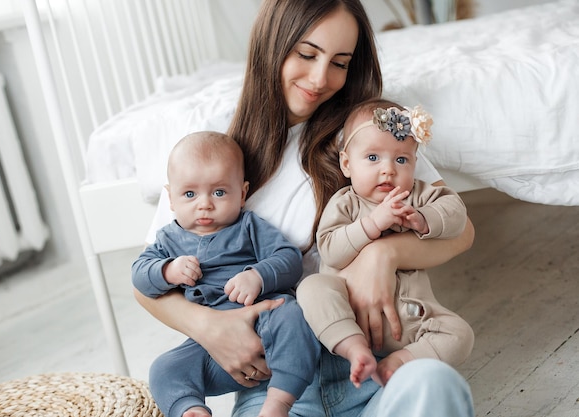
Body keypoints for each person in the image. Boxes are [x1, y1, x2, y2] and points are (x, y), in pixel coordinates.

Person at [135, 1, 476, 416]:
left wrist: (384, 253)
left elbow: (461, 230)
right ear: (273, 46)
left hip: (370, 363)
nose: (320, 79)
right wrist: (209, 328)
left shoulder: (369, 134)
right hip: (278, 381)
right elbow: (147, 280)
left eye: (339, 62)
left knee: (436, 386)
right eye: (307, 54)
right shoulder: (218, 144)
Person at [132, 131, 321, 417]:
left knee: (292, 314)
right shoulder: (168, 240)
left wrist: (257, 276)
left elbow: (289, 259)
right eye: (189, 194)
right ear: (170, 198)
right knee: (163, 369)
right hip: (213, 346)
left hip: (267, 323)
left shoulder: (248, 226)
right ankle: (191, 410)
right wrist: (168, 270)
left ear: (242, 193)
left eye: (219, 192)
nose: (205, 203)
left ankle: (278, 403)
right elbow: (139, 276)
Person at [296, 98, 475, 389]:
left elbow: (456, 212)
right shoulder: (346, 204)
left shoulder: (415, 196)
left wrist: (422, 218)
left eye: (401, 160)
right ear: (346, 163)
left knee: (460, 334)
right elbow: (330, 248)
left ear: (415, 165)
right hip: (349, 312)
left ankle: (400, 361)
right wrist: (372, 225)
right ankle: (355, 349)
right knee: (312, 289)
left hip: (412, 321)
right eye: (372, 158)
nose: (388, 170)